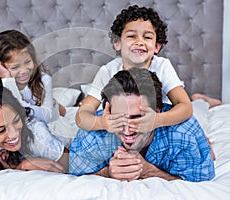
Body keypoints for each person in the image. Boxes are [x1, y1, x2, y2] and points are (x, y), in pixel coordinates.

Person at [69, 68, 215, 182]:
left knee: (199, 110)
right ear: (108, 110)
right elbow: (75, 172)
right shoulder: (94, 132)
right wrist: (107, 172)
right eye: (119, 118)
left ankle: (204, 102)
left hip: (184, 121)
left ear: (157, 112)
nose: (127, 129)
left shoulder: (184, 134)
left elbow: (200, 182)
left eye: (137, 118)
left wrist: (147, 171)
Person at [75, 5, 192, 135]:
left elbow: (185, 107)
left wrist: (158, 120)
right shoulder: (108, 71)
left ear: (157, 47)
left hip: (160, 120)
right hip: (124, 125)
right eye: (131, 36)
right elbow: (81, 116)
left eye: (147, 37)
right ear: (117, 43)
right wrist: (102, 123)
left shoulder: (162, 66)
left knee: (189, 126)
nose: (139, 42)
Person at [0, 29, 65, 124]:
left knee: (60, 110)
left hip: (52, 121)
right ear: (0, 68)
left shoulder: (44, 80)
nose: (24, 71)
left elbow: (47, 116)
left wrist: (24, 108)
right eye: (15, 67)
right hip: (31, 117)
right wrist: (7, 80)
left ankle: (57, 106)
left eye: (27, 62)